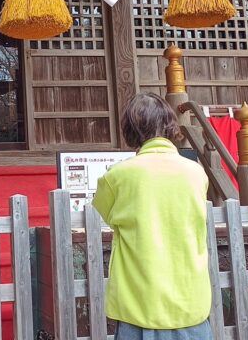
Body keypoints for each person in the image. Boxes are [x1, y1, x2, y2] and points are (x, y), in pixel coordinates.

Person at [92, 93, 212, 340]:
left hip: (140, 307)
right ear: (170, 124)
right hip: (191, 305)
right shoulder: (196, 173)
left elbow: (104, 210)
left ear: (130, 130)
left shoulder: (117, 176)